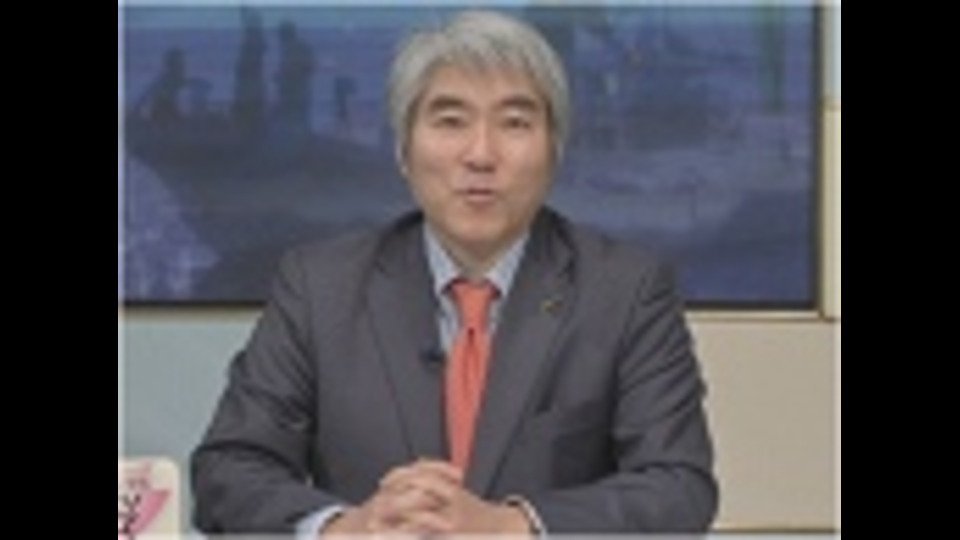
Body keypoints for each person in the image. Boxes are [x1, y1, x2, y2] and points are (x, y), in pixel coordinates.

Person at [191, 9, 718, 536]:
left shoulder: (626, 291)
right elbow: (228, 472)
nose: (481, 155)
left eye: (514, 123)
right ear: (403, 150)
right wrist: (344, 528)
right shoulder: (320, 286)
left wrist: (511, 526)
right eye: (450, 121)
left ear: (554, 151)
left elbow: (678, 487)